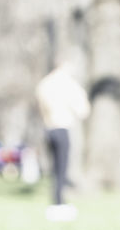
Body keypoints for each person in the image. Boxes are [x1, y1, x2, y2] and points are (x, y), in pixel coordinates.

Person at [35, 62, 90, 218]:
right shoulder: (68, 84)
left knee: (55, 168)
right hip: (62, 128)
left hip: (48, 129)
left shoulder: (44, 85)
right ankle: (59, 203)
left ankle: (56, 200)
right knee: (62, 167)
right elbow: (83, 110)